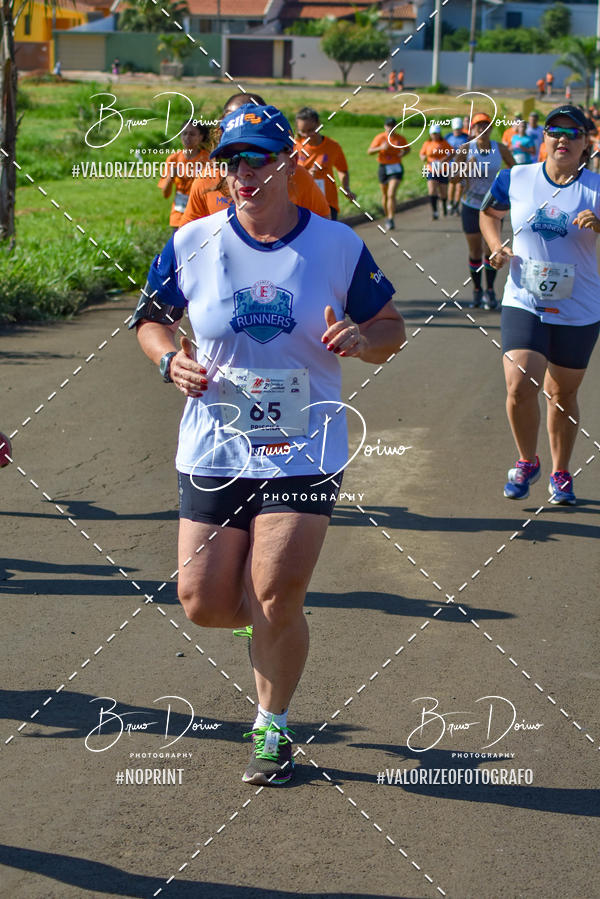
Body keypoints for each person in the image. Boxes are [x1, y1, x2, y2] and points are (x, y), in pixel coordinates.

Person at [129, 104, 405, 784]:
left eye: (258, 158)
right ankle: (274, 634)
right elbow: (150, 321)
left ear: (289, 161)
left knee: (276, 592)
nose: (244, 173)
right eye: (232, 161)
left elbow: (391, 324)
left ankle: (271, 727)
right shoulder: (192, 241)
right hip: (216, 445)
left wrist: (366, 340)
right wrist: (169, 359)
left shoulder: (337, 245)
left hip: (303, 445)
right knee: (205, 601)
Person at [480, 104, 600, 505]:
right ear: (544, 138)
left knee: (563, 394)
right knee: (520, 381)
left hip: (579, 306)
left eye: (574, 133)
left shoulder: (597, 189)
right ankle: (527, 460)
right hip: (524, 298)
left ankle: (561, 472)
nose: (563, 139)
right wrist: (497, 248)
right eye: (555, 131)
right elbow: (489, 215)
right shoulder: (514, 178)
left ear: (587, 143)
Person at [181, 93, 330, 226]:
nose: (243, 171)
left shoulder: (298, 176)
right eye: (230, 119)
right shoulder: (205, 179)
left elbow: (323, 229)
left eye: (257, 157)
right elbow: (188, 237)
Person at [453, 112, 514, 309]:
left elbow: (517, 171)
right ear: (472, 129)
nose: (482, 130)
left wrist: (506, 186)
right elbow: (452, 179)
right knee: (475, 251)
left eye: (486, 126)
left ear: (491, 129)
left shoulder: (500, 148)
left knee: (491, 250)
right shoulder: (465, 149)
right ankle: (477, 290)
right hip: (470, 205)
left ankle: (490, 290)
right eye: (478, 126)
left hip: (493, 208)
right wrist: (466, 169)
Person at [295, 107, 355, 220]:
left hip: (327, 203)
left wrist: (346, 188)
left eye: (311, 130)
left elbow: (342, 169)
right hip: (301, 204)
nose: (308, 135)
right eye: (303, 131)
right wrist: (306, 174)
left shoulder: (333, 146)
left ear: (318, 124)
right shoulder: (294, 147)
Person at [158, 121, 211, 229]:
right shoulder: (173, 159)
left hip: (200, 217)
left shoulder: (208, 159)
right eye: (184, 133)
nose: (187, 137)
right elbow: (165, 194)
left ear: (201, 137)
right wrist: (171, 177)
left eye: (192, 134)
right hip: (178, 217)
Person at [367, 117, 410, 231]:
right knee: (385, 195)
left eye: (393, 126)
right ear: (385, 126)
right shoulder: (380, 138)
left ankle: (391, 218)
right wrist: (381, 148)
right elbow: (370, 151)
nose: (390, 128)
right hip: (383, 167)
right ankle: (387, 216)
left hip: (396, 168)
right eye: (388, 126)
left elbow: (407, 149)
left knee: (391, 194)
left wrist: (402, 154)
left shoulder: (400, 139)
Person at [419, 123, 454, 219]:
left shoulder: (444, 143)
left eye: (436, 133)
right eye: (433, 134)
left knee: (443, 192)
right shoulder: (427, 143)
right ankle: (434, 211)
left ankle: (443, 204)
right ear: (430, 134)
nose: (435, 135)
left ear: (439, 134)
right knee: (432, 190)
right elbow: (422, 154)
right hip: (431, 170)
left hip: (443, 170)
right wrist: (423, 158)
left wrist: (446, 159)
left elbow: (452, 153)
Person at [444, 116, 470, 214]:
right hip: (451, 165)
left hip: (462, 165)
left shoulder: (466, 137)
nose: (457, 131)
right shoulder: (448, 137)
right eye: (455, 130)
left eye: (459, 129)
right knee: (451, 184)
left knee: (460, 186)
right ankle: (450, 202)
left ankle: (456, 204)